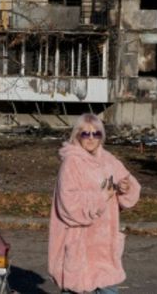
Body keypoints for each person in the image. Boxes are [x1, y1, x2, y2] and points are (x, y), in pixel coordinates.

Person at [48, 113, 141, 294]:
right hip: (80, 243)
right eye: (85, 134)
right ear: (77, 136)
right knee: (77, 288)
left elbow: (132, 187)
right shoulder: (71, 163)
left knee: (108, 287)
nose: (91, 138)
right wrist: (101, 197)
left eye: (96, 133)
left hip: (105, 245)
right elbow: (69, 204)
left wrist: (125, 187)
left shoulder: (109, 160)